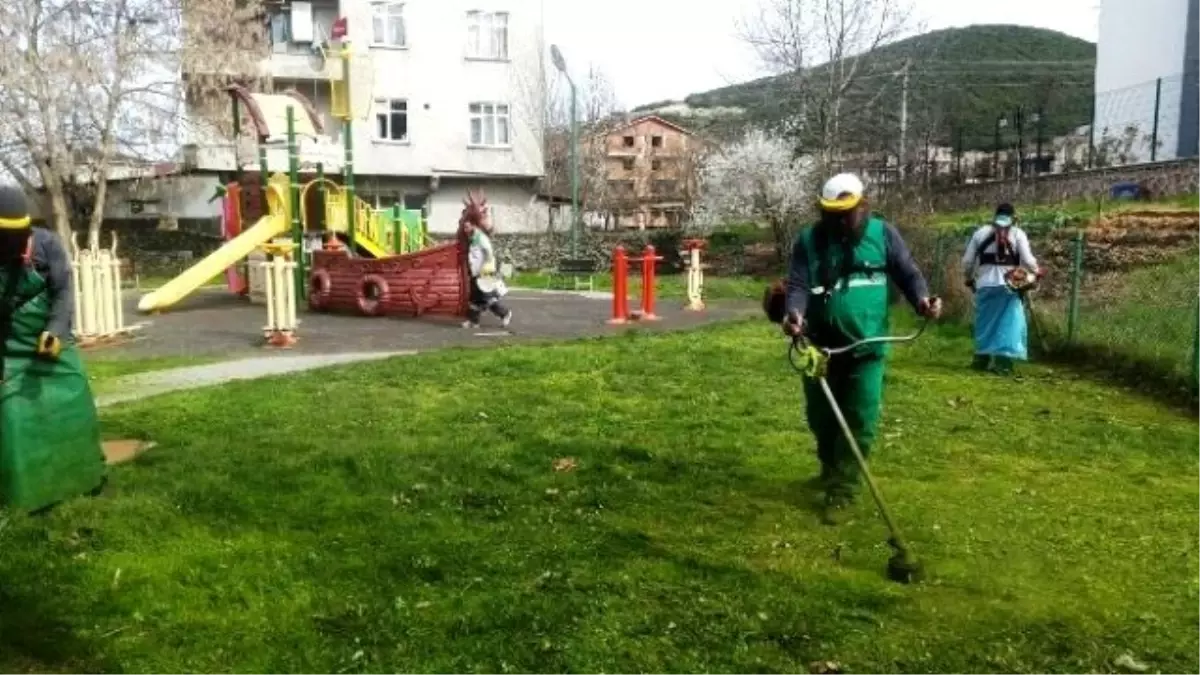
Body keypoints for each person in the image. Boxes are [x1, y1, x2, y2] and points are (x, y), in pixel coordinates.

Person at [780, 173, 942, 524]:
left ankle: (844, 490)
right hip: (819, 349)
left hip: (869, 347)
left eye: (847, 212)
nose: (839, 219)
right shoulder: (809, 240)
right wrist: (794, 314)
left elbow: (909, 274)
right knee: (821, 418)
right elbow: (798, 285)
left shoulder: (883, 235)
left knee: (859, 419)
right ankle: (829, 467)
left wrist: (923, 301)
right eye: (831, 212)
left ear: (862, 206)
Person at [0, 185, 106, 511]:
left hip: (52, 344)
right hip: (11, 350)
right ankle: (27, 496)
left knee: (73, 402)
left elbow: (62, 294)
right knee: (15, 418)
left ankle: (85, 479)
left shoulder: (47, 245)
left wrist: (55, 331)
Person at [961, 203, 1039, 375]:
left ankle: (981, 359)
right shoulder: (1018, 233)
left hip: (984, 285)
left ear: (995, 215)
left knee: (985, 322)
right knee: (1009, 323)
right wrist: (1036, 272)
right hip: (1010, 286)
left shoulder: (980, 233)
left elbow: (967, 261)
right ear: (1013, 216)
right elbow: (1028, 260)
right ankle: (1003, 363)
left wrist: (968, 278)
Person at [458, 191, 513, 330]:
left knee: (486, 299)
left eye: (467, 226)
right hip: (477, 273)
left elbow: (489, 252)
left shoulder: (480, 238)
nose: (465, 229)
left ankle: (505, 313)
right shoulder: (473, 238)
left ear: (473, 225)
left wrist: (485, 267)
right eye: (464, 226)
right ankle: (473, 322)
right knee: (475, 299)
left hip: (485, 273)